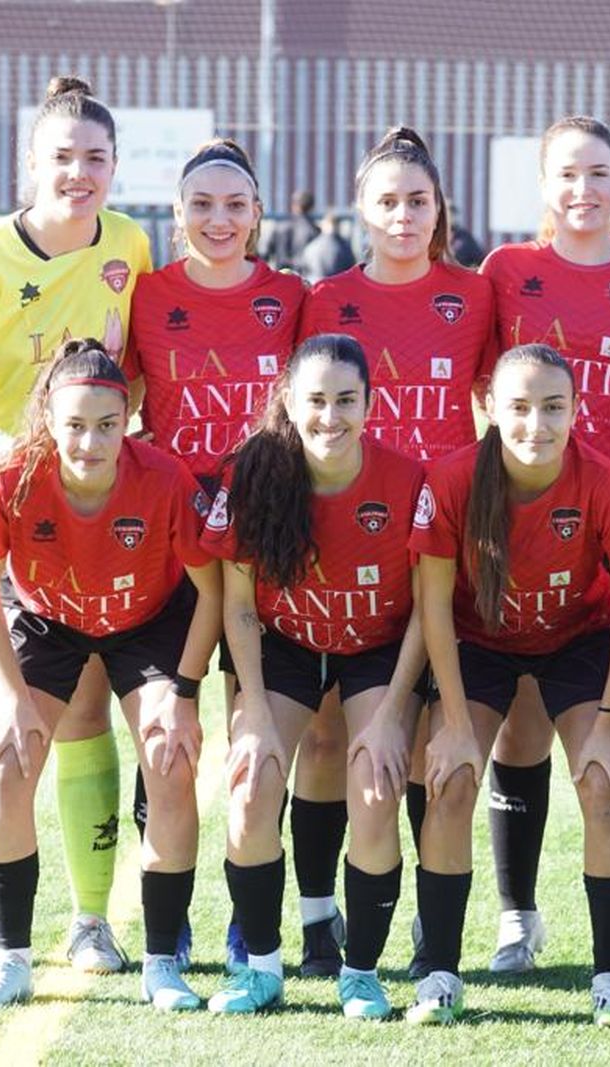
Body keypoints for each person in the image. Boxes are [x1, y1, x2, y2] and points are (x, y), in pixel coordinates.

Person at [0, 75, 152, 979]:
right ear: (31, 164)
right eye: (63, 157)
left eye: (95, 158)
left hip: (78, 514)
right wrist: (1, 454)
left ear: (115, 166)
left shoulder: (128, 244)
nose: (79, 173)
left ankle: (92, 922)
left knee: (83, 706)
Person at [477, 115, 610, 974]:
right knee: (520, 729)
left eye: (597, 173)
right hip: (526, 522)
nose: (583, 191)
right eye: (567, 175)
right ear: (544, 187)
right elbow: (482, 392)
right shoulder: (507, 272)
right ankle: (517, 914)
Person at [0, 339, 220, 1010]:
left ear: (127, 416)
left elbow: (212, 594)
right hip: (47, 620)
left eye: (107, 424)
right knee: (10, 761)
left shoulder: (162, 477)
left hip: (150, 619)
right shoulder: (13, 474)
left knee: (169, 759)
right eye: (74, 424)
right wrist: (11, 695)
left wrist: (184, 695)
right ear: (47, 414)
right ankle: (12, 959)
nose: (90, 441)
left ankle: (164, 961)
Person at [294, 126, 497, 980]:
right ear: (362, 208)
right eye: (388, 201)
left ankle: (425, 925)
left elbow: (506, 396)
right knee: (329, 739)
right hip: (345, 532)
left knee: (418, 742)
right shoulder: (325, 296)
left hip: (443, 531)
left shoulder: (477, 295)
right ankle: (315, 918)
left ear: (439, 208)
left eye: (419, 201)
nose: (404, 216)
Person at [406, 343, 610, 1027]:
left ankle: (609, 976)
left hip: (578, 637)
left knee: (603, 782)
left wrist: (609, 719)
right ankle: (441, 973)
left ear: (578, 410)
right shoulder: (453, 478)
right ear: (488, 408)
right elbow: (430, 605)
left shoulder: (603, 480)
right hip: (477, 641)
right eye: (518, 407)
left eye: (552, 407)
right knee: (450, 779)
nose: (535, 424)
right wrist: (452, 719)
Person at [201, 334, 427, 1018]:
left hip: (378, 648)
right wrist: (254, 714)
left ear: (370, 402)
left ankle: (360, 971)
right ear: (289, 403)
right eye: (317, 401)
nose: (331, 416)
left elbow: (426, 608)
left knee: (376, 787)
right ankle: (262, 969)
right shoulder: (251, 473)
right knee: (251, 786)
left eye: (346, 400)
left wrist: (391, 715)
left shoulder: (406, 478)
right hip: (287, 645)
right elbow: (237, 607)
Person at [124, 135, 304, 969]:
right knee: (164, 731)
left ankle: (247, 922)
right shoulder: (147, 297)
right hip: (172, 549)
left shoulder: (293, 298)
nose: (219, 219)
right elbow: (113, 397)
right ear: (178, 215)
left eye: (235, 205)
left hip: (264, 546)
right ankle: (166, 911)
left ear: (259, 214)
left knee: (250, 740)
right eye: (202, 205)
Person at [260, 189, 319, 272]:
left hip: (282, 276)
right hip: (303, 278)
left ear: (293, 205)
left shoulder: (279, 226)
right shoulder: (315, 231)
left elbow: (265, 255)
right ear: (312, 207)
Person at [298, 210, 358, 282]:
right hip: (337, 287)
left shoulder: (312, 246)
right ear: (338, 226)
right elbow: (351, 270)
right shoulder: (344, 247)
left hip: (315, 285)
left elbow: (304, 269)